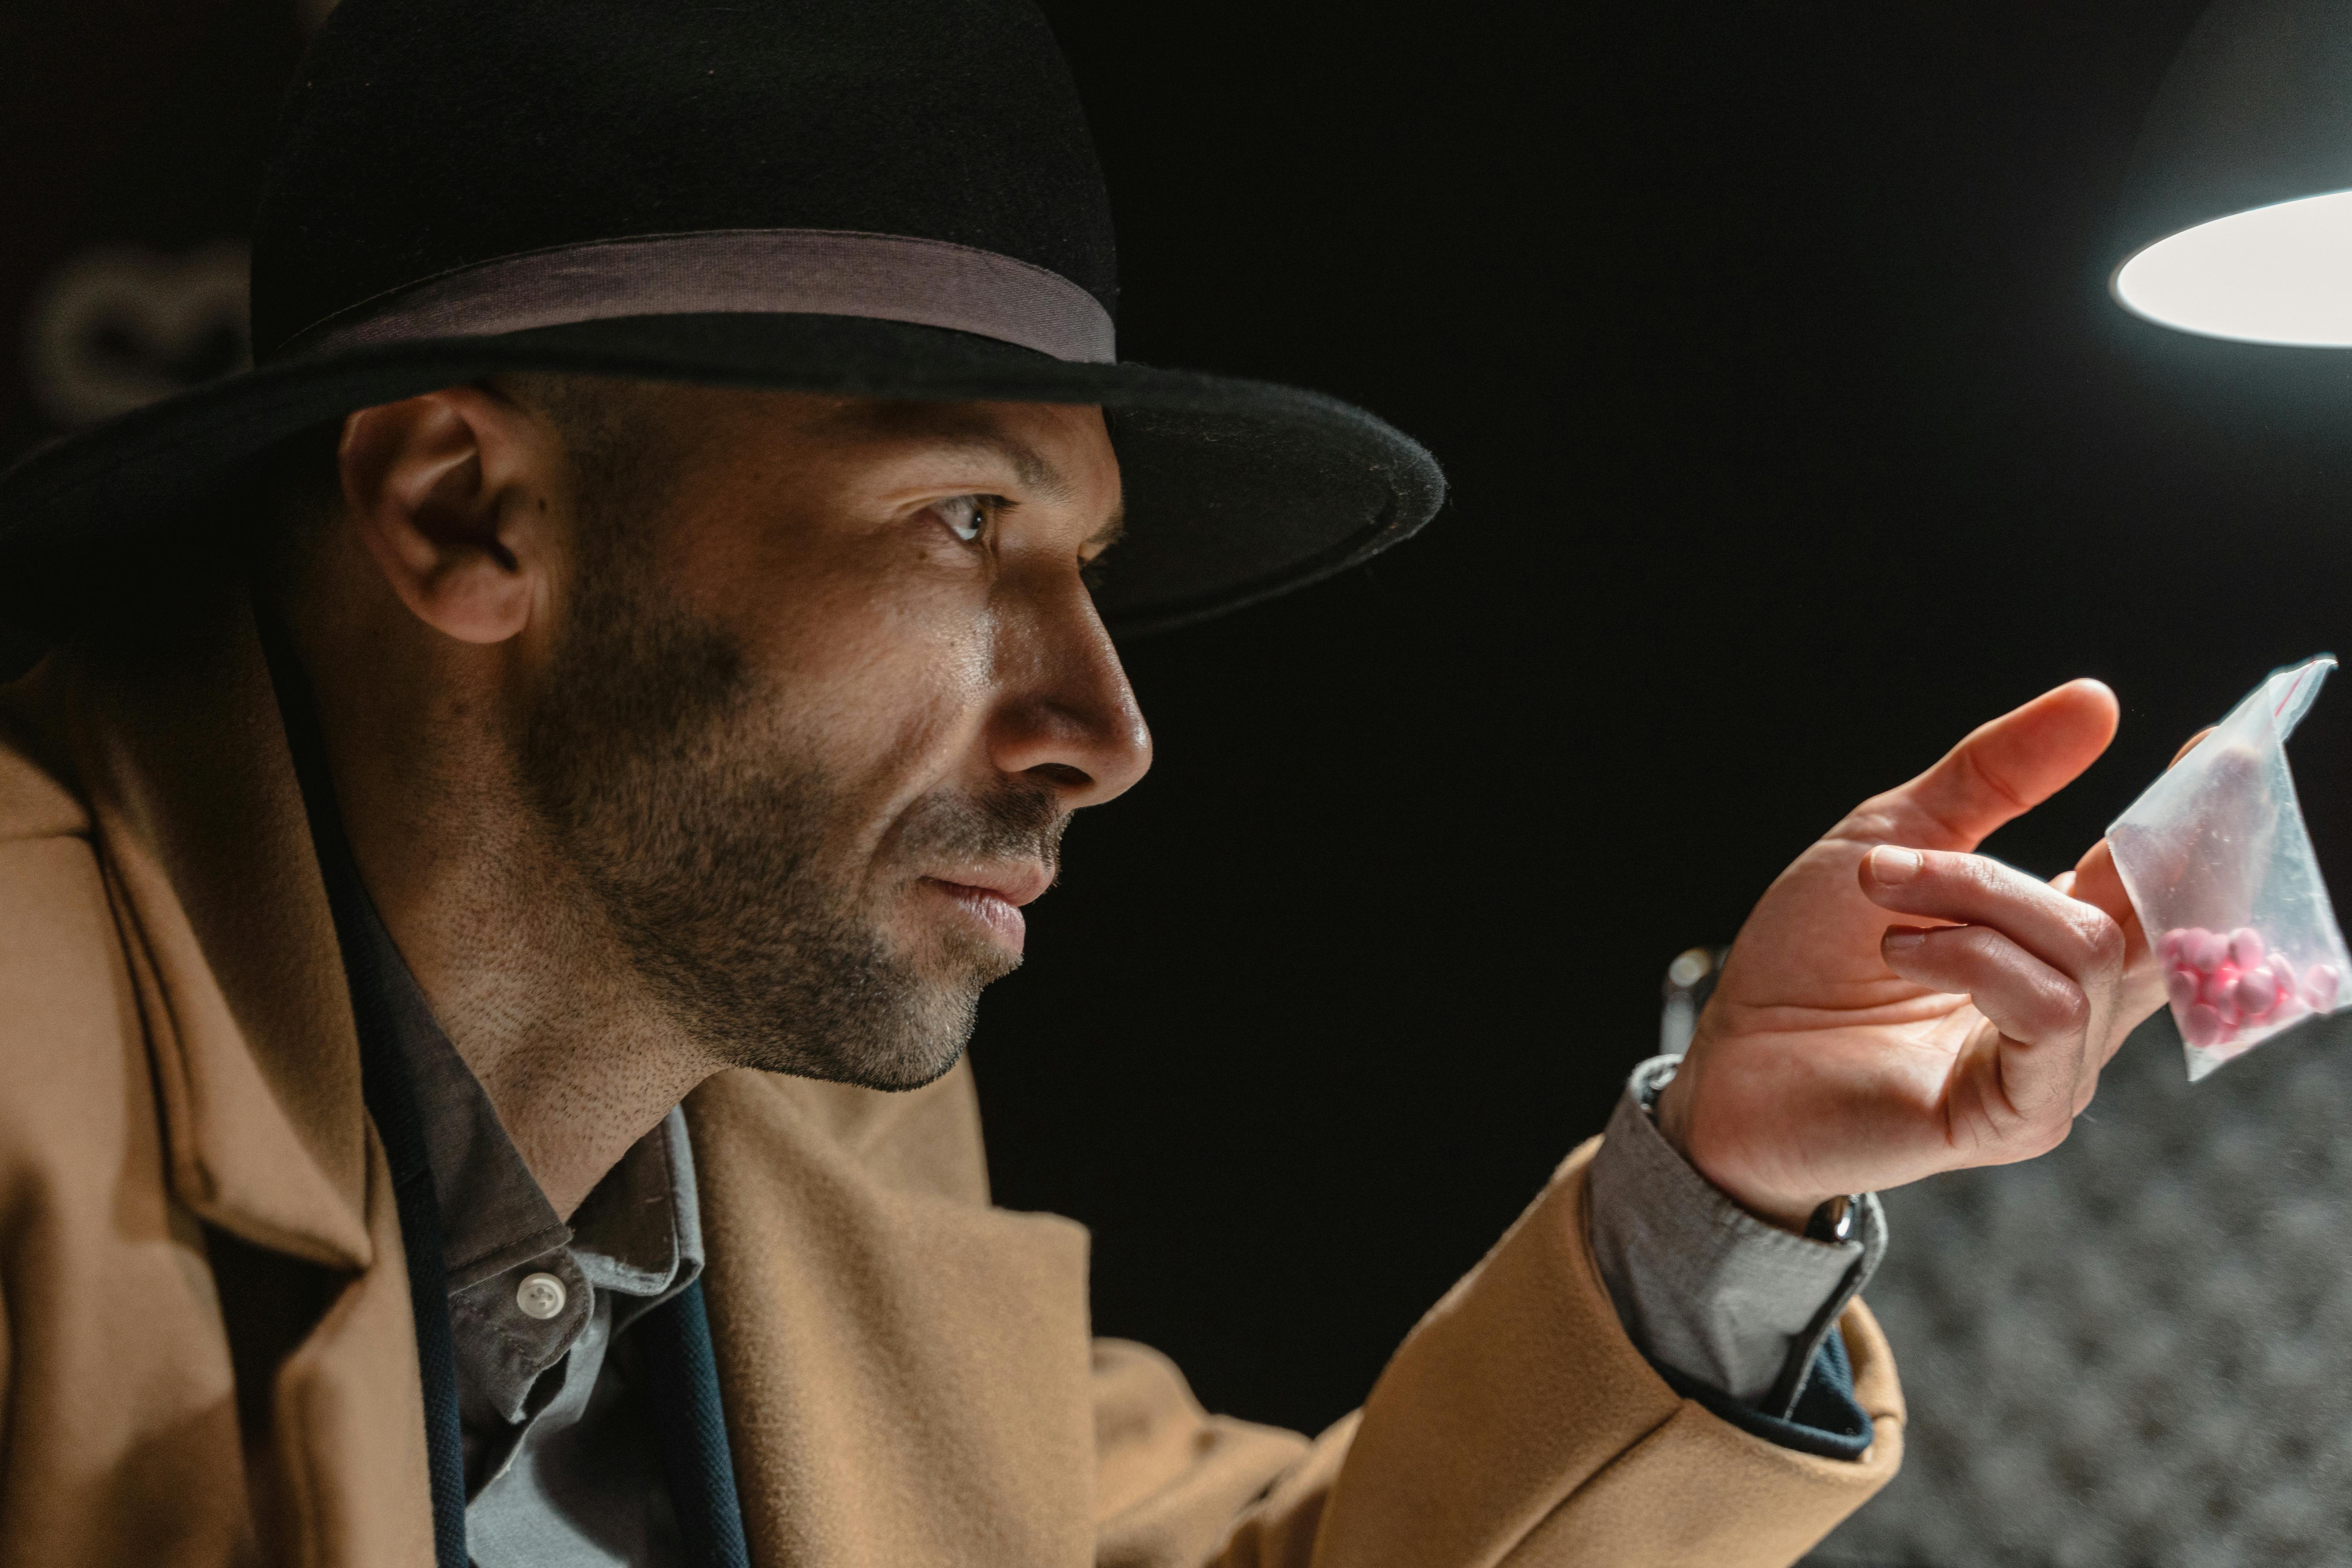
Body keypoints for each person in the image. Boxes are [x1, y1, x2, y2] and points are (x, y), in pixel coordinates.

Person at [0, 2, 2167, 1564]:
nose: (1108, 731)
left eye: (1088, 565)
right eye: (961, 522)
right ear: (473, 516)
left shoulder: (821, 1124)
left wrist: (1740, 1176)